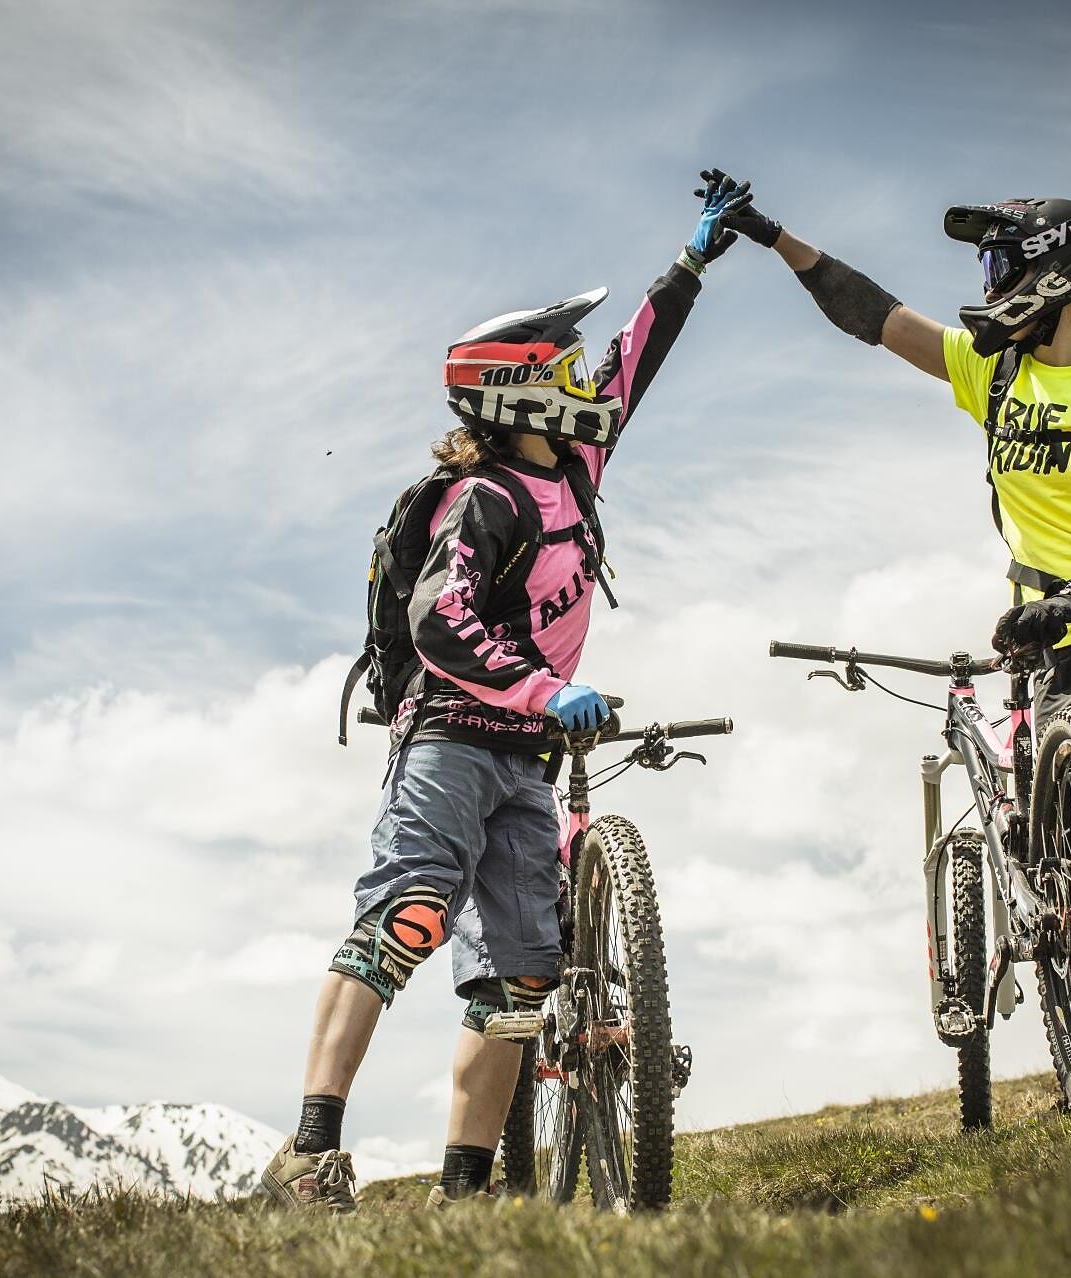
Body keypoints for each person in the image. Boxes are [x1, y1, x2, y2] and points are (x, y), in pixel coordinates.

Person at [706, 174, 1071, 1109]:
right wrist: (775, 236)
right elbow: (874, 315)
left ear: (1055, 279)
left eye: (999, 268)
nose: (987, 289)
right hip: (1061, 655)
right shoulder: (993, 374)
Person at [261, 178, 749, 1213]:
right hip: (451, 740)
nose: (584, 377)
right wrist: (542, 688)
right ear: (519, 393)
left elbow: (635, 361)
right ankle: (308, 1155)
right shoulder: (483, 497)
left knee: (521, 981)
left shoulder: (576, 466)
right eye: (562, 367)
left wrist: (691, 264)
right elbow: (439, 619)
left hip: (525, 761)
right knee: (407, 920)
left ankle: (465, 1193)